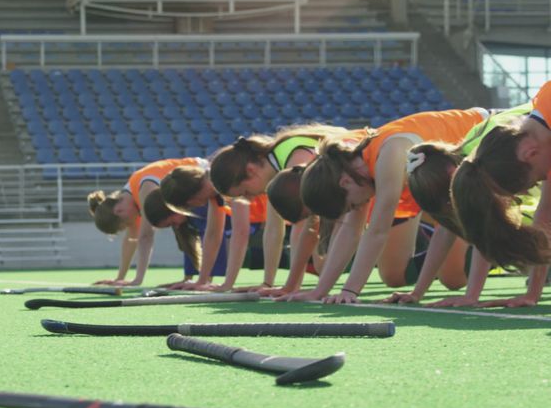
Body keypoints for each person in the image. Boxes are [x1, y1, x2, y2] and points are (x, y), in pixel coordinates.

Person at [283, 107, 489, 304]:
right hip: (451, 173)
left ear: (344, 183)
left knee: (457, 271)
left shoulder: (388, 156)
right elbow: (351, 231)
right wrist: (320, 291)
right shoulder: (356, 172)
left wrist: (349, 291)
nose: (357, 208)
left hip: (488, 133)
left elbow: (377, 231)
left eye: (351, 206)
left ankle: (506, 254)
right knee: (452, 279)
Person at [387, 101, 539, 308]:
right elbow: (445, 231)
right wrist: (417, 292)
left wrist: (531, 294)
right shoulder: (460, 162)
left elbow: (538, 214)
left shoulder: (489, 159)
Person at [208, 124, 346, 293]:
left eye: (245, 192)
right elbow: (273, 230)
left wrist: (291, 286)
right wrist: (267, 283)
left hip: (365, 188)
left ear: (251, 171)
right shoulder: (275, 173)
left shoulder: (292, 161)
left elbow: (305, 225)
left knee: (322, 262)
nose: (250, 199)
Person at [449, 81, 551, 306]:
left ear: (529, 154)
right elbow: (545, 215)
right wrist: (532, 295)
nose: (545, 179)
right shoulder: (540, 134)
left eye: (538, 179)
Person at [87, 157, 207, 286]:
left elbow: (146, 236)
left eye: (126, 223)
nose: (131, 226)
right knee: (180, 225)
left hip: (202, 174)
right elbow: (130, 240)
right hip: (193, 184)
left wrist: (137, 280)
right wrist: (119, 278)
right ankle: (191, 278)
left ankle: (200, 279)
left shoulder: (145, 189)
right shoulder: (130, 199)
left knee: (186, 224)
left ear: (119, 211)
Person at [158, 162, 268, 291]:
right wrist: (201, 280)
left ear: (190, 198)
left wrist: (227, 284)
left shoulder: (225, 180)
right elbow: (213, 233)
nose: (195, 207)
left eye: (188, 205)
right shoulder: (213, 191)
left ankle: (271, 283)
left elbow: (240, 232)